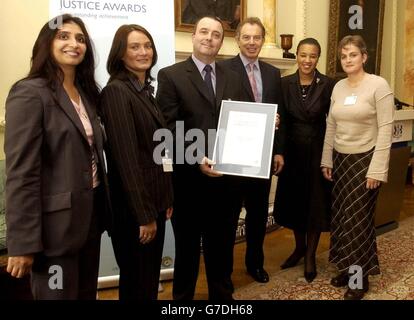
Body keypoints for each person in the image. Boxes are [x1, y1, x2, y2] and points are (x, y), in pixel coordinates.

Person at [5, 14, 110, 299]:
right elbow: (21, 173)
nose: (73, 44)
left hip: (89, 222)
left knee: (87, 294)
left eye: (79, 38)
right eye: (63, 36)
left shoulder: (87, 94)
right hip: (53, 234)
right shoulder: (30, 93)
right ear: (47, 43)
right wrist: (23, 242)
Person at [156, 16, 242, 300]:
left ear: (222, 41)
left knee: (222, 248)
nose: (209, 38)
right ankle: (182, 301)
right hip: (189, 183)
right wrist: (196, 158)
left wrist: (267, 124)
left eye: (216, 34)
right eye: (204, 32)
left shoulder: (233, 76)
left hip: (226, 182)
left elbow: (241, 119)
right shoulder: (171, 75)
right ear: (193, 36)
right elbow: (166, 129)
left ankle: (222, 298)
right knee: (188, 250)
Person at [99, 24, 173, 300]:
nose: (144, 52)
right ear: (120, 54)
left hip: (154, 202)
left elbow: (158, 150)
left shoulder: (144, 90)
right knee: (137, 283)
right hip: (134, 212)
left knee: (147, 279)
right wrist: (144, 215)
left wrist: (165, 198)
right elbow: (126, 161)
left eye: (148, 45)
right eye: (135, 46)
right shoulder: (117, 92)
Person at [321, 35, 394, 300]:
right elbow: (331, 124)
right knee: (341, 219)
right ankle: (346, 267)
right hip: (341, 160)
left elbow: (386, 128)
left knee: (358, 222)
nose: (348, 59)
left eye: (353, 54)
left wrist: (377, 169)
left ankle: (358, 278)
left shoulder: (378, 85)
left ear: (364, 57)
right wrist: (327, 159)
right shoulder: (338, 87)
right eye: (344, 55)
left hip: (366, 160)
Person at [220, 17, 284, 283]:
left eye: (257, 37)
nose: (252, 42)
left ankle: (255, 264)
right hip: (233, 157)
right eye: (246, 37)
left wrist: (278, 150)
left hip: (262, 156)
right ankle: (222, 272)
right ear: (237, 40)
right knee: (228, 216)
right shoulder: (223, 69)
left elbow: (280, 113)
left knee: (257, 215)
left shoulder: (272, 73)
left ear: (262, 39)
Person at [274, 38, 335, 283]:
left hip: (318, 151)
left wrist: (330, 156)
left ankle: (310, 255)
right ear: (296, 56)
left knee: (315, 205)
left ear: (317, 58)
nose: (307, 60)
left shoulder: (329, 84)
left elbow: (334, 120)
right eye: (303, 55)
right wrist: (279, 152)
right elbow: (282, 122)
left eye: (312, 56)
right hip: (292, 153)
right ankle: (299, 248)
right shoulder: (284, 83)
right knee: (295, 204)